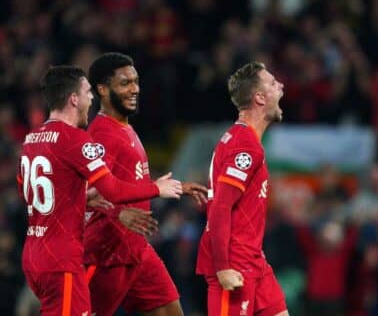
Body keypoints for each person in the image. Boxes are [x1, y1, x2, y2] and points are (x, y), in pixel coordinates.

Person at [17, 65, 182, 316]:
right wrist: (156, 188)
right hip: (62, 259)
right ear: (74, 99)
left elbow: (29, 193)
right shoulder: (76, 139)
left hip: (34, 255)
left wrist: (79, 199)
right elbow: (113, 190)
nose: (91, 97)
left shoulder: (31, 139)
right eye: (86, 92)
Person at [84, 52, 207, 316]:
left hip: (136, 249)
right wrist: (118, 212)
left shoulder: (124, 128)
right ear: (103, 90)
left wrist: (168, 187)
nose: (135, 89)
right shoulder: (101, 135)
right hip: (107, 253)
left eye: (136, 81)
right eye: (125, 83)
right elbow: (84, 194)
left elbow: (122, 182)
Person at [196, 61, 289, 316]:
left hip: (254, 260)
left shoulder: (244, 139)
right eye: (272, 83)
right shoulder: (244, 145)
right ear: (259, 97)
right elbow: (220, 206)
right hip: (234, 264)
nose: (280, 85)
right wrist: (223, 266)